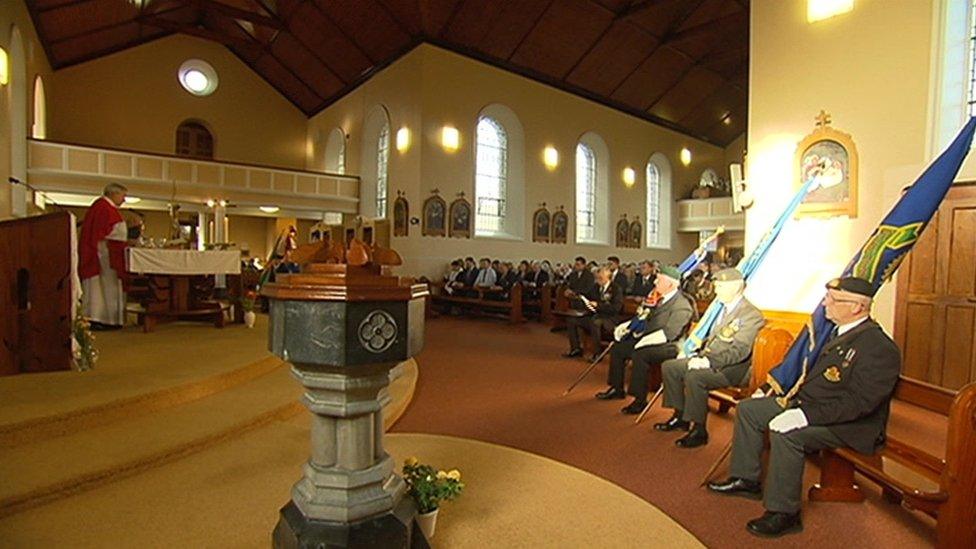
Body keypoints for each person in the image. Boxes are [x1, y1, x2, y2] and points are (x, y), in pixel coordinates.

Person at [708, 277, 901, 538]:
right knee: (750, 411)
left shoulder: (878, 347)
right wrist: (780, 397)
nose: (825, 304)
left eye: (833, 300)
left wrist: (804, 415)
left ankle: (784, 513)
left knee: (789, 434)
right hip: (814, 408)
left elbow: (860, 403)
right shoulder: (837, 333)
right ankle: (746, 480)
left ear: (857, 307)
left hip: (851, 425)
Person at [656, 268, 765, 447]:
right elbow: (714, 339)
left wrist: (708, 361)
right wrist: (696, 351)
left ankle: (699, 430)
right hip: (711, 359)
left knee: (695, 377)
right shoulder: (722, 308)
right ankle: (680, 416)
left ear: (737, 287)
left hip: (734, 369)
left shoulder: (750, 315)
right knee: (671, 367)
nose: (715, 290)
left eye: (720, 286)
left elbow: (740, 350)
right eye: (716, 285)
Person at [597, 265, 694, 414]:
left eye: (659, 280)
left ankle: (639, 400)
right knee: (619, 348)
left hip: (670, 345)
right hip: (649, 338)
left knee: (640, 354)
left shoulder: (682, 305)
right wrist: (627, 326)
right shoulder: (657, 298)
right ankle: (616, 388)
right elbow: (643, 317)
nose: (654, 283)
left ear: (670, 284)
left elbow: (670, 334)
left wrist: (643, 341)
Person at [79, 183, 130, 330]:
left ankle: (109, 318)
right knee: (103, 286)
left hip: (109, 253)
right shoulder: (102, 207)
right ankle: (100, 318)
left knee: (108, 286)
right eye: (123, 196)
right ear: (114, 194)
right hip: (103, 255)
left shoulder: (105, 207)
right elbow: (103, 232)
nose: (124, 200)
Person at [563, 267, 622, 359]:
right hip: (595, 316)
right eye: (597, 278)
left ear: (608, 278)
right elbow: (586, 294)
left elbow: (616, 308)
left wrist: (598, 305)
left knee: (595, 322)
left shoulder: (616, 289)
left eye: (601, 278)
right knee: (572, 320)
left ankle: (598, 353)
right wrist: (574, 294)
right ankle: (576, 348)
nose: (598, 280)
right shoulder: (596, 287)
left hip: (609, 319)